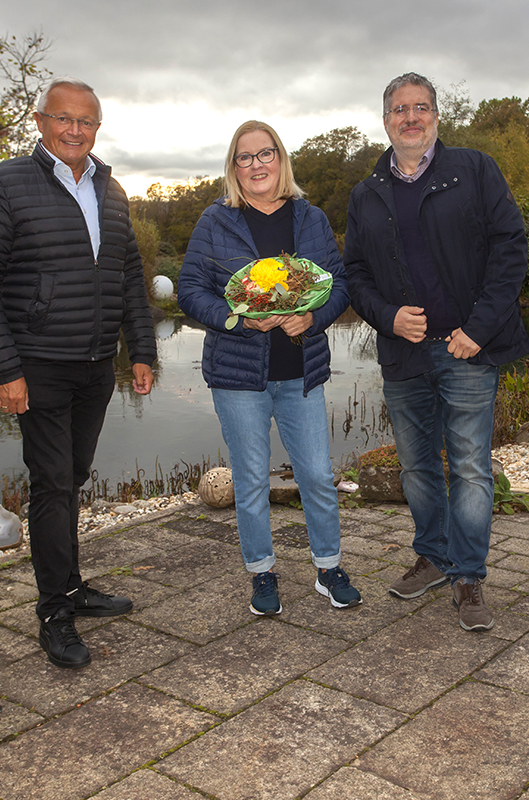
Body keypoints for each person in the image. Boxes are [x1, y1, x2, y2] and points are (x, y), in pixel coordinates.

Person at [0, 78, 157, 669]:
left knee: (70, 477)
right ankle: (54, 611)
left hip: (97, 365)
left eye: (87, 122)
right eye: (63, 119)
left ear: (98, 127)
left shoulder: (111, 188)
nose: (75, 130)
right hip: (38, 363)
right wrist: (6, 367)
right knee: (51, 482)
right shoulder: (4, 185)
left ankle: (70, 584)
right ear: (41, 120)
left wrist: (142, 349)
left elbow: (128, 276)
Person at [344, 73, 529, 631]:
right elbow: (354, 271)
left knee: (470, 467)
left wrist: (479, 326)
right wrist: (387, 317)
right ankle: (433, 555)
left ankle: (469, 576)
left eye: (421, 107)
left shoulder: (473, 170)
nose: (410, 117)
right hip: (405, 352)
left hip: (466, 347)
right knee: (417, 466)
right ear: (385, 121)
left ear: (436, 117)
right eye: (399, 109)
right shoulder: (366, 192)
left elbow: (510, 247)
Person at [178, 120, 361, 616]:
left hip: (300, 372)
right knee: (252, 479)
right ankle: (261, 573)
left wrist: (313, 316)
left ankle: (329, 568)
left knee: (318, 476)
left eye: (265, 154)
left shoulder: (311, 218)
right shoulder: (215, 222)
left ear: (281, 160)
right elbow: (190, 290)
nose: (256, 165)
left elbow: (339, 284)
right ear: (233, 167)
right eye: (245, 157)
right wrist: (238, 321)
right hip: (239, 377)